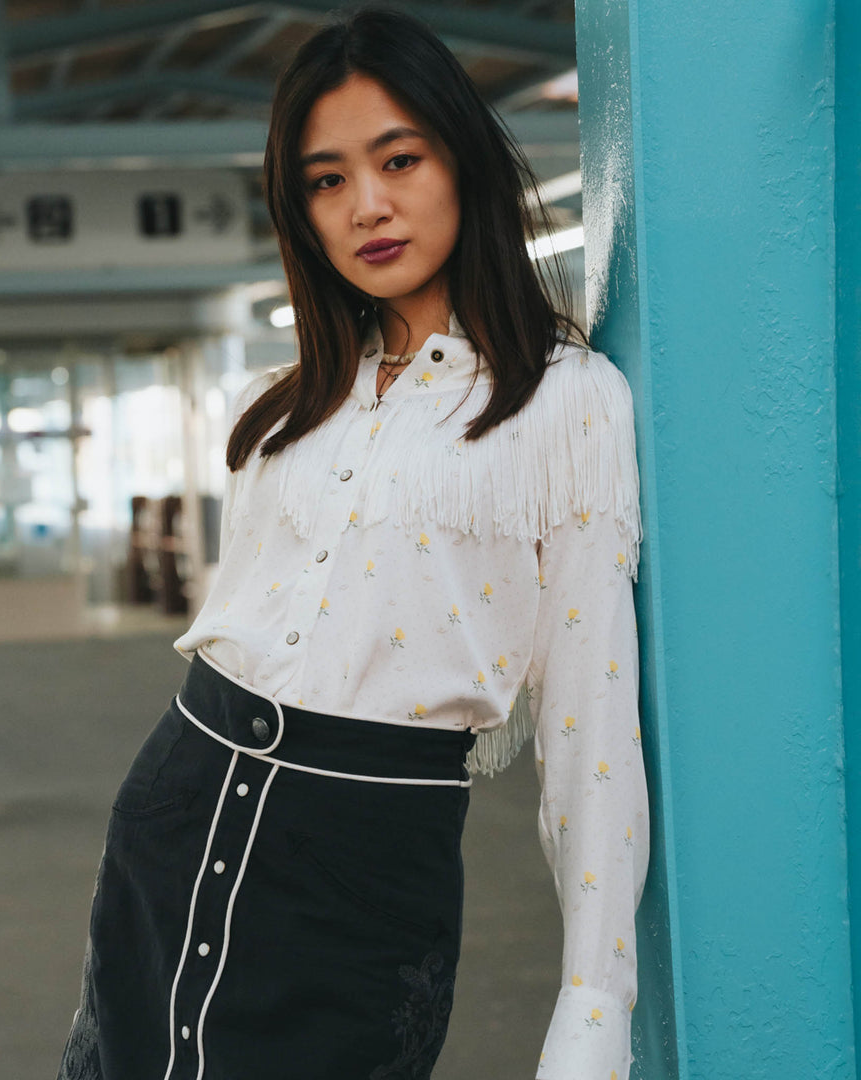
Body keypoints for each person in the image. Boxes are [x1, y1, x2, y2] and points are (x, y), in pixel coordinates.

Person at [57, 8, 649, 1079]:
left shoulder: (568, 404)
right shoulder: (279, 411)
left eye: (400, 158)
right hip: (177, 806)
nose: (367, 204)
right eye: (327, 180)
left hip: (367, 856)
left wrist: (595, 999)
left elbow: (590, 725)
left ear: (461, 159)